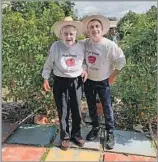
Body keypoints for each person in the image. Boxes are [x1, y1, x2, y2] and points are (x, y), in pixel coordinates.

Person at [42, 16, 88, 151]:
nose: (69, 36)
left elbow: (84, 61)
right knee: (63, 110)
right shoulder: (56, 46)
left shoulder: (81, 46)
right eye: (66, 34)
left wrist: (84, 70)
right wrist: (45, 78)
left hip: (76, 81)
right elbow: (48, 64)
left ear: (76, 35)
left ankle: (76, 134)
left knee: (77, 109)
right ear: (61, 35)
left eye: (71, 34)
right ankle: (65, 137)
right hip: (60, 81)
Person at [82, 15, 126, 149]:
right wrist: (83, 69)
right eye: (91, 27)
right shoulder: (84, 43)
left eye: (97, 26)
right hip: (88, 81)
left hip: (103, 82)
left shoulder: (109, 45)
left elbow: (121, 60)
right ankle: (95, 127)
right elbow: (80, 58)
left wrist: (113, 76)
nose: (94, 29)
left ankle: (110, 132)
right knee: (91, 106)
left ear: (102, 29)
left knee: (107, 108)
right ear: (88, 31)